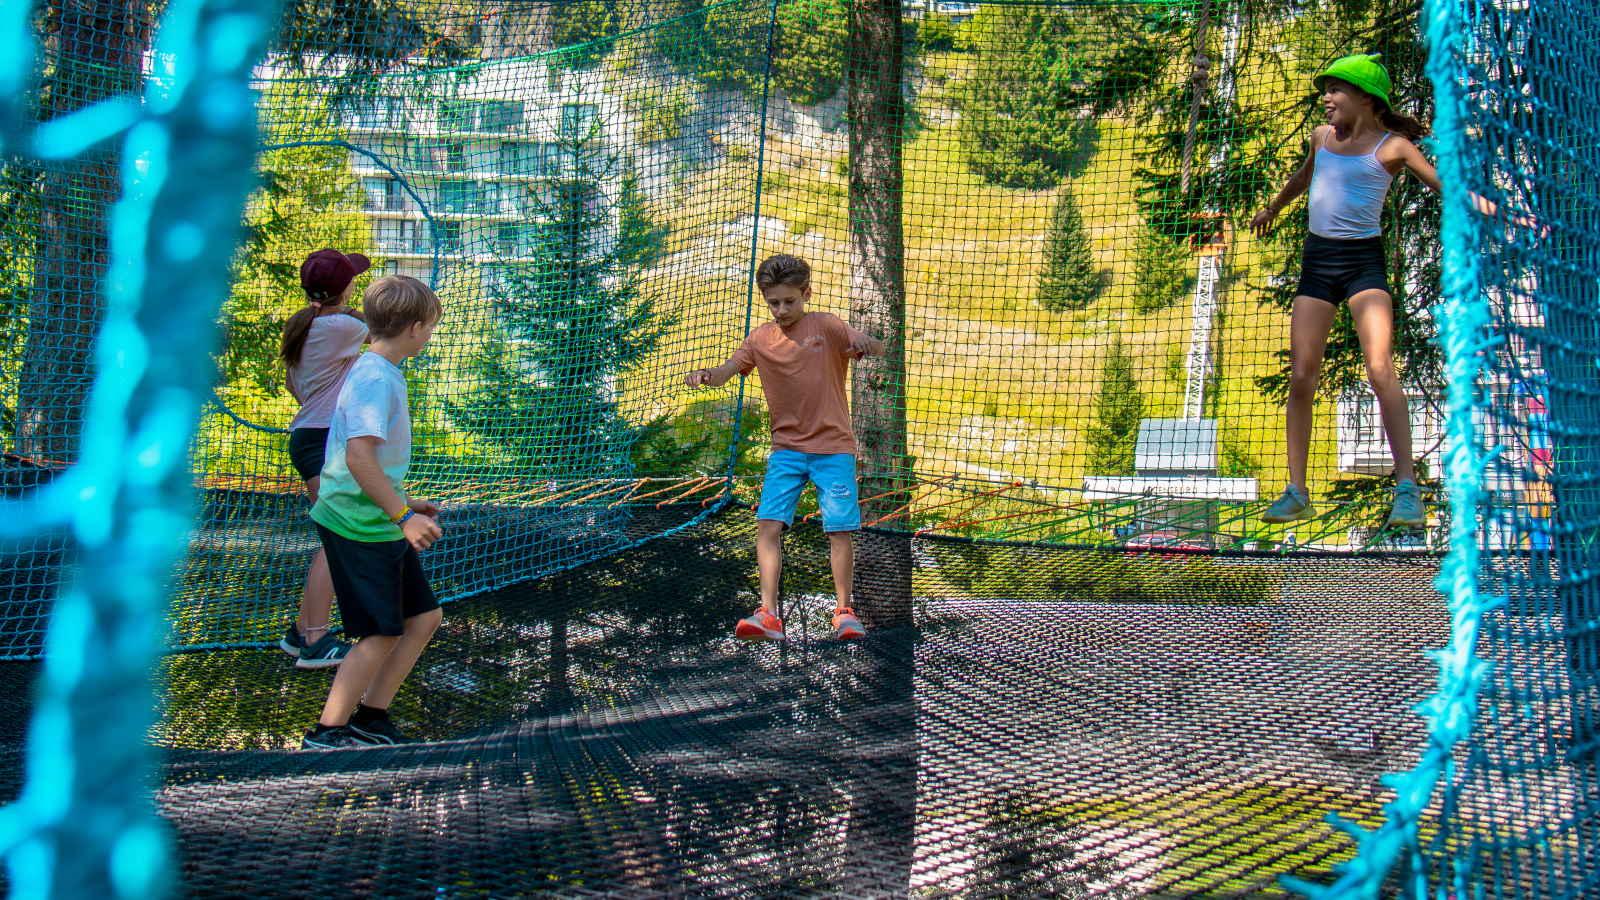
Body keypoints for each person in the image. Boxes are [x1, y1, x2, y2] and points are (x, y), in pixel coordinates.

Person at [1251, 54, 1440, 529]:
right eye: (1325, 91)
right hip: (1318, 263)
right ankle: (1297, 491)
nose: (1326, 99)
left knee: (1380, 367)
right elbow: (1306, 175)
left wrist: (1491, 206)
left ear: (1366, 99)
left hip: (1363, 266)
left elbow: (1445, 186)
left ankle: (1407, 490)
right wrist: (1273, 207)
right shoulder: (1322, 138)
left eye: (1335, 90)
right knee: (1301, 376)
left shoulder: (1393, 147)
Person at [685, 254, 883, 642]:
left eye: (789, 301)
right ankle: (768, 614)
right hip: (786, 451)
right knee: (767, 524)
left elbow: (875, 345)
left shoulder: (826, 325)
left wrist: (863, 341)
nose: (781, 309)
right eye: (773, 302)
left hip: (833, 449)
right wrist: (707, 377)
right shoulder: (760, 339)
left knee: (839, 527)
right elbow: (726, 373)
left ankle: (844, 611)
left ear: (805, 294)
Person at [301, 275, 445, 750]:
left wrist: (407, 502)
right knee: (380, 633)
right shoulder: (372, 376)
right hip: (357, 525)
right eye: (431, 328)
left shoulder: (382, 371)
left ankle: (370, 718)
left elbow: (369, 460)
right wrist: (404, 517)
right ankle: (327, 733)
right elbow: (359, 455)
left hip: (376, 518)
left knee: (423, 619)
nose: (430, 336)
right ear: (416, 328)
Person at [278, 249, 370, 668]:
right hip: (322, 440)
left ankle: (300, 632)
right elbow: (390, 329)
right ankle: (315, 640)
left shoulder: (305, 325)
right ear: (345, 287)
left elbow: (297, 390)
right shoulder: (343, 326)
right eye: (353, 278)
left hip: (311, 437)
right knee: (341, 538)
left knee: (337, 536)